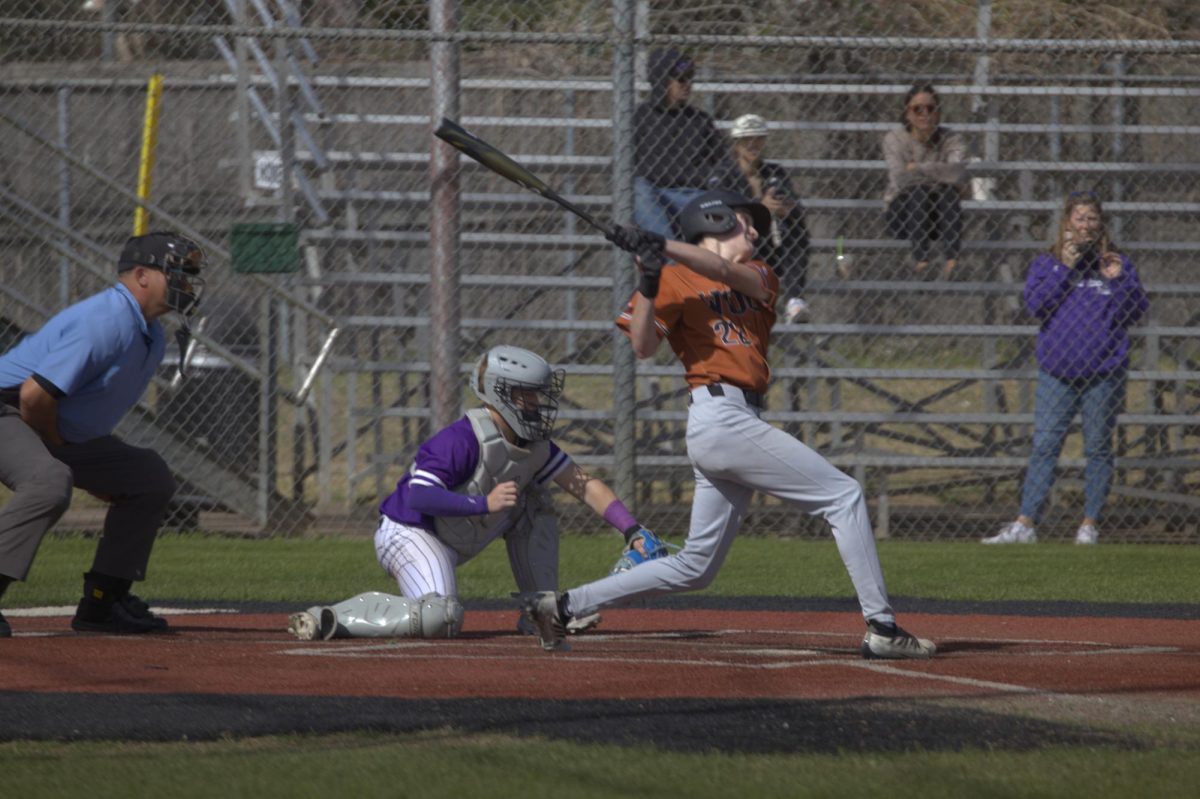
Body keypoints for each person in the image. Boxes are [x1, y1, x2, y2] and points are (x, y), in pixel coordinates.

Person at [522, 190, 936, 660]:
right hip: (717, 415)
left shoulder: (760, 274)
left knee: (696, 566)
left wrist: (659, 243)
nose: (755, 231)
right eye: (744, 222)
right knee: (844, 496)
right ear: (712, 221)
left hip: (736, 419)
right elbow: (641, 346)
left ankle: (560, 605)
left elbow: (720, 271)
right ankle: (882, 627)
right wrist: (653, 280)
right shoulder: (674, 277)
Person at [287, 345, 656, 641]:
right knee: (441, 618)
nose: (538, 404)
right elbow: (418, 496)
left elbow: (583, 483)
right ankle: (332, 617)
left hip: (454, 532)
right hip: (410, 532)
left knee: (535, 501)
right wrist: (484, 503)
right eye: (529, 395)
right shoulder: (461, 439)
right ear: (501, 394)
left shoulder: (534, 444)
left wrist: (631, 530)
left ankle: (541, 610)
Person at [0, 231, 206, 637]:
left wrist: (94, 466)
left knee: (147, 478)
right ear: (142, 276)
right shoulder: (108, 320)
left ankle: (103, 602)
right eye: (177, 273)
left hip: (46, 422)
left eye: (188, 275)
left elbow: (80, 414)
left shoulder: (152, 334)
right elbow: (33, 396)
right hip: (10, 409)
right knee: (48, 480)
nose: (186, 284)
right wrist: (62, 451)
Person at [983, 193, 1148, 546]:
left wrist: (1117, 279)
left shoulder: (1116, 263)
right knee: (1044, 446)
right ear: (1067, 223)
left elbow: (1134, 312)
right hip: (1057, 372)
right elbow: (1036, 306)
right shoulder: (1049, 262)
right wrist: (1066, 268)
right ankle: (1025, 523)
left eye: (1091, 219)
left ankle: (1089, 524)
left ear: (1100, 224)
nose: (1085, 225)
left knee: (1098, 448)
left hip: (1103, 372)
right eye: (1079, 218)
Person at [712, 113, 812, 323]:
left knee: (796, 228)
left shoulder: (774, 172)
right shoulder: (724, 174)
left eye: (758, 138)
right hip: (738, 246)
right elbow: (719, 213)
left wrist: (785, 209)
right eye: (747, 139)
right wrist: (759, 206)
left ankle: (794, 300)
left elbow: (795, 205)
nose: (752, 144)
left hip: (772, 246)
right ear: (736, 143)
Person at [633, 49, 735, 240]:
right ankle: (671, 261)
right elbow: (626, 165)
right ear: (662, 81)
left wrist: (714, 178)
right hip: (656, 196)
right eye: (680, 79)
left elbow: (723, 161)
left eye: (690, 78)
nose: (687, 85)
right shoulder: (641, 117)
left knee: (720, 201)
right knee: (638, 190)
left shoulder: (700, 120)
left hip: (694, 196)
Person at [882, 83, 969, 279]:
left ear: (938, 112)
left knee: (947, 193)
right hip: (902, 215)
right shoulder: (895, 139)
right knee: (919, 192)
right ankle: (921, 261)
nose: (924, 114)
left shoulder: (952, 138)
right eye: (917, 109)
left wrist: (919, 168)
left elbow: (957, 172)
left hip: (940, 217)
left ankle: (952, 262)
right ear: (907, 113)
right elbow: (901, 178)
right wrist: (940, 174)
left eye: (930, 109)